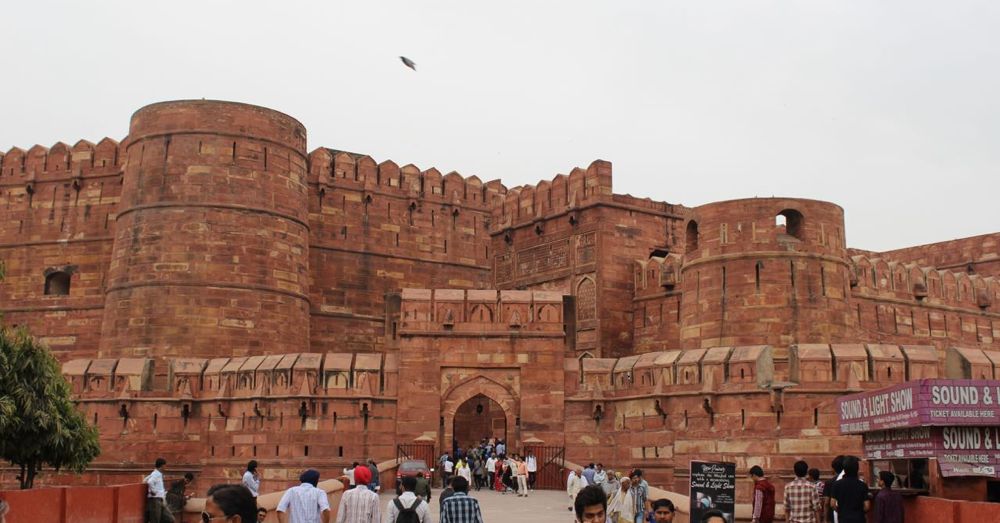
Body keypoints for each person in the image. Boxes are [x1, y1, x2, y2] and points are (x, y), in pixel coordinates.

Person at [829, 457, 870, 523]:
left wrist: (841, 511)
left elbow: (832, 504)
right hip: (859, 519)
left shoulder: (837, 484)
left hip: (844, 519)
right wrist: (859, 513)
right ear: (857, 469)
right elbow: (867, 506)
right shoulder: (862, 485)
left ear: (844, 469)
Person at [145, 457, 174, 523]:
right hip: (155, 500)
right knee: (155, 520)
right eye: (165, 465)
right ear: (162, 465)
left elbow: (146, 480)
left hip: (159, 499)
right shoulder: (156, 474)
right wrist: (153, 491)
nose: (165, 467)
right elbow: (150, 482)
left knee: (170, 519)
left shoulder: (157, 474)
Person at [822, 456, 845, 523]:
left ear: (833, 469)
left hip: (834, 516)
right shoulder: (854, 481)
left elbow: (826, 503)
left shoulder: (829, 482)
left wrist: (825, 519)